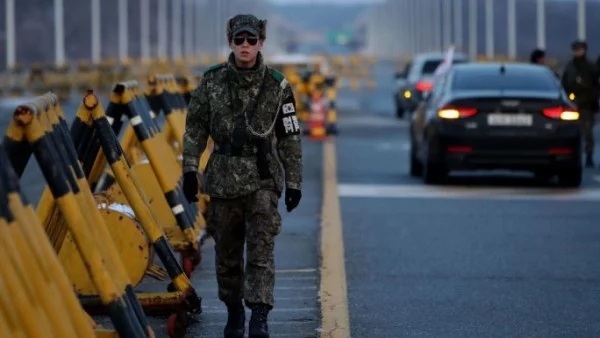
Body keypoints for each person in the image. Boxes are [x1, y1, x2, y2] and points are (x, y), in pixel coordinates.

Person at [181, 14, 303, 338]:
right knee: (227, 256)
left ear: (261, 42)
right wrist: (190, 170)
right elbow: (194, 128)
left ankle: (259, 317)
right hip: (223, 181)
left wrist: (293, 183)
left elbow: (290, 137)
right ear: (231, 42)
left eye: (251, 40)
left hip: (263, 179)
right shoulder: (212, 82)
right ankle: (234, 310)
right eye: (239, 40)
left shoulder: (277, 86)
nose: (245, 46)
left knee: (261, 250)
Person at [561, 40, 599, 168]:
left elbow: (595, 84)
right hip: (574, 104)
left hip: (587, 104)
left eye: (581, 49)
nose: (579, 52)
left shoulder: (590, 67)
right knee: (572, 131)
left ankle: (588, 155)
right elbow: (565, 84)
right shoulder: (570, 67)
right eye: (577, 49)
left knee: (588, 132)